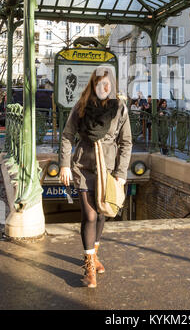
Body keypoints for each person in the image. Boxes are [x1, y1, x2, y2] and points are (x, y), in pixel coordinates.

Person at [59, 66, 132, 288]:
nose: (105, 86)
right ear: (94, 84)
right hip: (83, 168)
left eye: (108, 83)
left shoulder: (119, 108)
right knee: (90, 217)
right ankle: (89, 266)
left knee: (102, 216)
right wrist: (64, 165)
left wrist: (120, 173)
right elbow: (67, 136)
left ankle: (94, 253)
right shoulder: (81, 106)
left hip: (108, 172)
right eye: (101, 82)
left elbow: (126, 142)